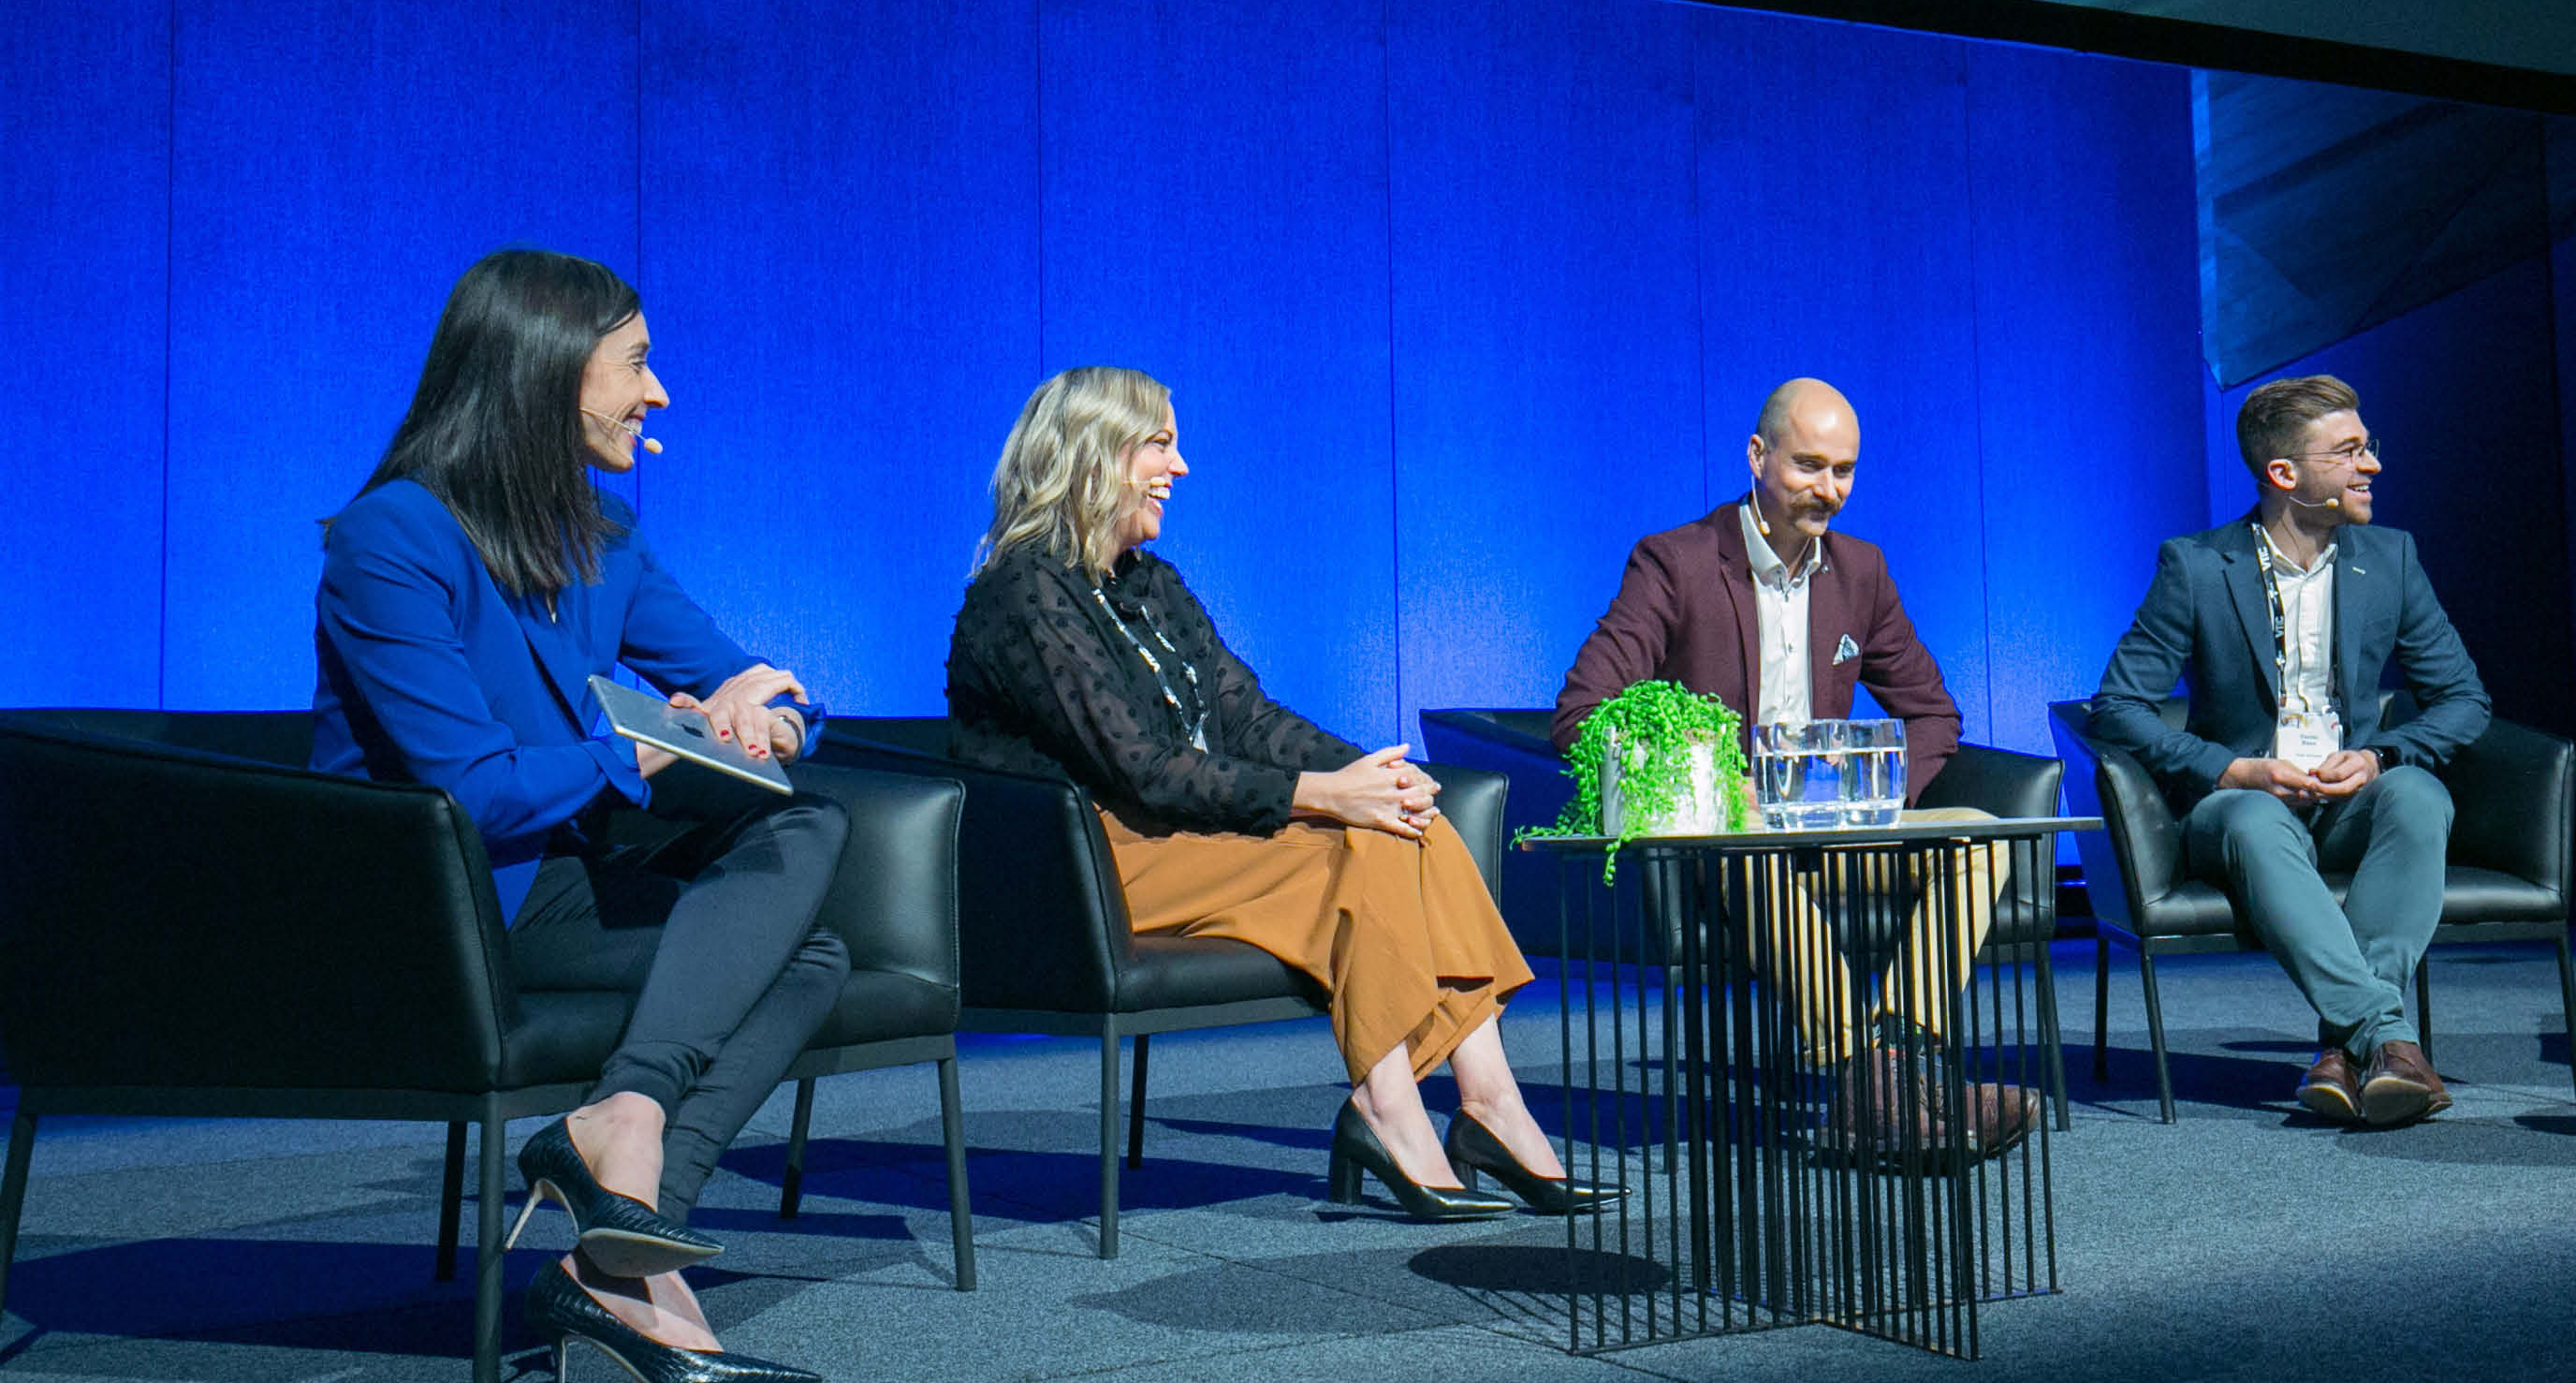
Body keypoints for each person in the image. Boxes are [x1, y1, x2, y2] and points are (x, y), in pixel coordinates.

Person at [313, 249, 836, 1381]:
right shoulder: (391, 540)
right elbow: (474, 788)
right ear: (545, 373)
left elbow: (767, 688)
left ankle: (621, 1189)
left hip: (548, 876)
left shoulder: (601, 537)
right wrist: (646, 741)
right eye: (638, 364)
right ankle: (628, 1263)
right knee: (809, 951)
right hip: (442, 907)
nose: (660, 394)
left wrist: (768, 724)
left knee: (810, 837)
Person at [944, 366, 1616, 1222]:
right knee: (1357, 840)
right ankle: (1388, 1106)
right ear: (1091, 455)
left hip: (1169, 840)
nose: (1179, 468)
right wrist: (1326, 798)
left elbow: (1248, 718)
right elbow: (1140, 766)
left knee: (1405, 818)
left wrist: (1372, 775)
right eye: (1159, 445)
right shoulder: (1025, 592)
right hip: (1081, 872)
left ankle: (1488, 1102)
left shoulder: (1150, 585)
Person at [1553, 376, 2036, 1164]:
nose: (1830, 490)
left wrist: (1876, 791)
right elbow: (1583, 715)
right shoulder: (1674, 563)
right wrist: (1710, 786)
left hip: (1834, 828)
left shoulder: (1862, 572)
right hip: (1729, 845)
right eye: (1810, 466)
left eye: (1844, 471)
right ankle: (1877, 1083)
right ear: (1756, 456)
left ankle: (1893, 1068)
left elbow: (1933, 712)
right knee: (1748, 841)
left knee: (1979, 838)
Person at [2085, 374, 2489, 1128]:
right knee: (2253, 820)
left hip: (2349, 797)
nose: (2372, 466)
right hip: (2239, 805)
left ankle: (2348, 1048)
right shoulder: (2198, 566)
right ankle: (2389, 1036)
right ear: (2284, 475)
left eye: (2369, 448)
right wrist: (2230, 768)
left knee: (2419, 796)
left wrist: (2378, 757)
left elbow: (2465, 700)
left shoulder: (2391, 558)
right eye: (2349, 452)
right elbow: (2118, 707)